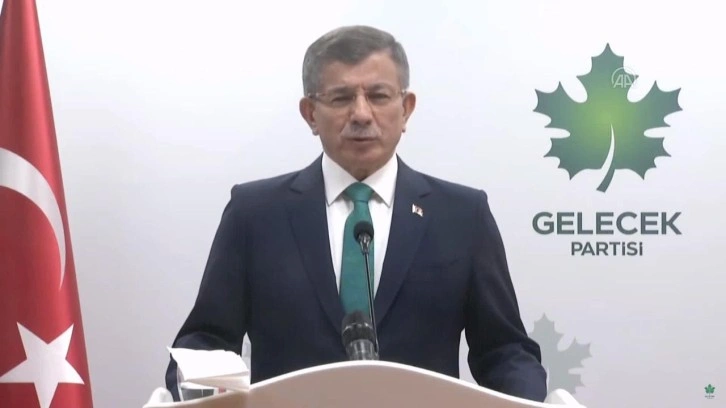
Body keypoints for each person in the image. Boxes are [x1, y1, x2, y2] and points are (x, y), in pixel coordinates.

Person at [165, 25, 547, 402]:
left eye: (378, 96)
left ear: (406, 108)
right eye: (341, 98)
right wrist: (201, 387)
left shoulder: (462, 215)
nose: (361, 114)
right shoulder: (254, 213)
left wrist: (524, 400)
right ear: (310, 113)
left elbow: (504, 350)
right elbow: (206, 339)